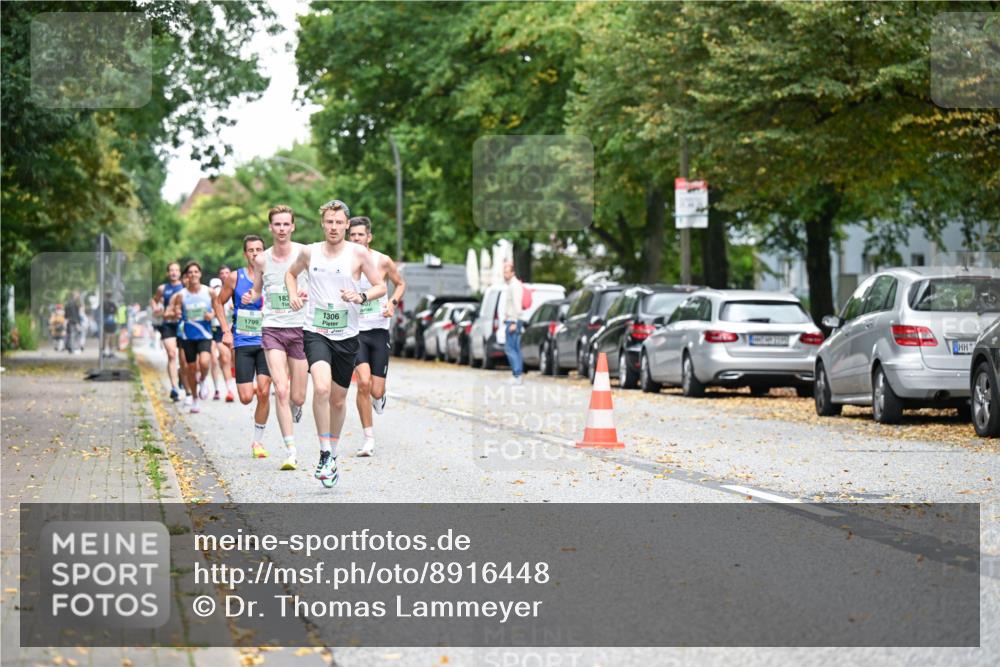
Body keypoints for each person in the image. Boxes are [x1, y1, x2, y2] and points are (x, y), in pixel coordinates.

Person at [256, 199, 384, 489]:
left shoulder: (359, 253)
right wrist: (291, 294)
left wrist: (361, 297)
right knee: (322, 388)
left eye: (339, 222)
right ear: (322, 224)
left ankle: (333, 453)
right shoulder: (309, 252)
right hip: (315, 330)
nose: (334, 227)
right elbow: (290, 273)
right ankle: (324, 452)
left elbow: (380, 286)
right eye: (329, 222)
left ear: (347, 225)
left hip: (348, 335)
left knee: (339, 399)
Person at [244, 205, 309, 468]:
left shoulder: (305, 254)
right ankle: (291, 452)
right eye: (277, 224)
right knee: (280, 389)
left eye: (286, 224)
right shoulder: (262, 260)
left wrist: (307, 296)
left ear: (292, 227)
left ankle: (297, 405)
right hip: (272, 329)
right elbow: (258, 291)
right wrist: (252, 296)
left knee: (298, 396)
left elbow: (318, 283)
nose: (281, 229)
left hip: (301, 329)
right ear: (270, 228)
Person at [347, 216, 406, 457]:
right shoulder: (343, 261)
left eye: (360, 235)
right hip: (355, 331)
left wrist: (392, 302)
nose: (356, 239)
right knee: (362, 383)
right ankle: (368, 438)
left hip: (379, 330)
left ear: (369, 237)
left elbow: (400, 284)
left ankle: (378, 398)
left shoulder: (383, 261)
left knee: (377, 390)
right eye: (353, 235)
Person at [215, 236, 277, 462]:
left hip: (267, 341)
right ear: (245, 254)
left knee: (263, 390)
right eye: (250, 250)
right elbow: (218, 302)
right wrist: (225, 330)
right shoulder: (234, 277)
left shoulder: (272, 274)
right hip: (242, 342)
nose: (255, 253)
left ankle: (257, 441)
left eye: (259, 249)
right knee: (245, 397)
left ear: (264, 252)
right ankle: (256, 431)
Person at [167, 262, 214, 414]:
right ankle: (194, 398)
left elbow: (217, 308)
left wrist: (211, 315)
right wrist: (177, 313)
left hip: (205, 334)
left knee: (205, 363)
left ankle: (204, 380)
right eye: (190, 272)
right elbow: (173, 311)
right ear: (186, 276)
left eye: (196, 272)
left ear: (200, 274)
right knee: (191, 369)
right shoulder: (181, 295)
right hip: (187, 336)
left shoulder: (209, 292)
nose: (193, 274)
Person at [151, 262, 186, 401]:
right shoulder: (162, 288)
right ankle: (174, 388)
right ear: (168, 273)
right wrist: (155, 309)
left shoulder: (185, 287)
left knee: (184, 360)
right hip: (167, 325)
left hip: (182, 324)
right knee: (172, 354)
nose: (173, 273)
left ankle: (181, 375)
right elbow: (154, 300)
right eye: (171, 270)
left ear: (179, 273)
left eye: (176, 270)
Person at [208, 276, 235, 402]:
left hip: (223, 330)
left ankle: (230, 390)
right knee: (213, 360)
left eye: (219, 287)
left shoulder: (229, 297)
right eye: (214, 288)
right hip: (209, 330)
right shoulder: (207, 298)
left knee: (225, 358)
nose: (217, 290)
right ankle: (216, 389)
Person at [502, 261, 524, 385]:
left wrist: (514, 321)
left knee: (511, 349)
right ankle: (517, 374)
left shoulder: (514, 286)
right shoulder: (512, 285)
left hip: (513, 320)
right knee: (514, 348)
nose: (505, 274)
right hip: (511, 319)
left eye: (507, 272)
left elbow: (517, 304)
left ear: (512, 272)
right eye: (504, 272)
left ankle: (517, 375)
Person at [102, 292, 118, 358]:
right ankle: (110, 352)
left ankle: (106, 351)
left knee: (106, 337)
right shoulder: (112, 304)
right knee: (111, 337)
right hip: (112, 323)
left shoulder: (105, 304)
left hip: (107, 323)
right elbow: (115, 312)